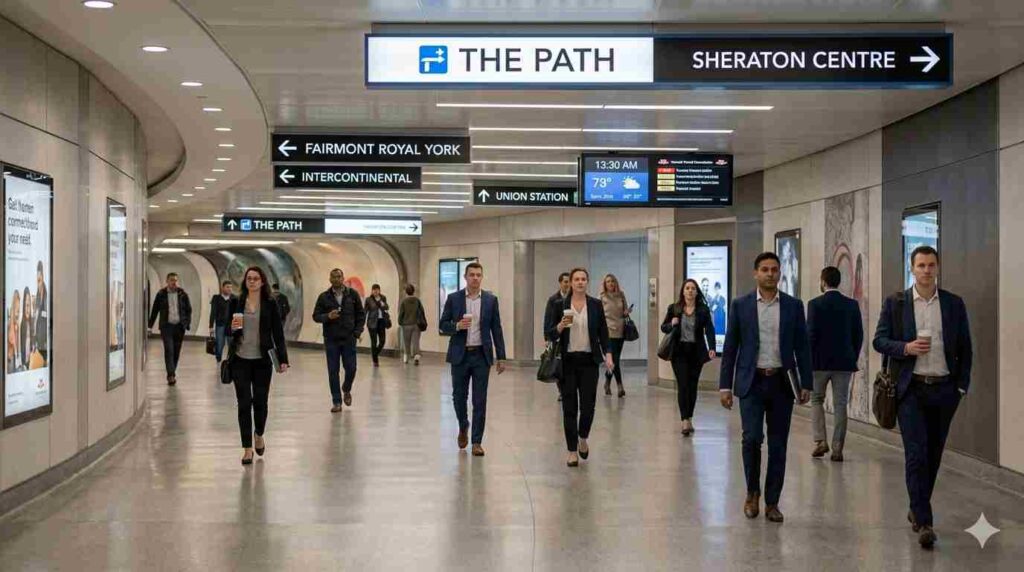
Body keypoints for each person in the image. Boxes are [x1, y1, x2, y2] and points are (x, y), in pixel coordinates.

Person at [873, 246, 972, 549]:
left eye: (931, 265)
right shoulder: (896, 303)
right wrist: (906, 348)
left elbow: (966, 349)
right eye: (921, 265)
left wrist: (960, 387)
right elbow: (879, 340)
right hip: (910, 389)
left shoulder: (954, 304)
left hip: (944, 390)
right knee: (916, 454)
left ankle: (916, 506)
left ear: (937, 268)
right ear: (912, 268)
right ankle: (924, 521)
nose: (927, 270)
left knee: (933, 455)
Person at [720, 252, 812, 524]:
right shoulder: (741, 305)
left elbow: (802, 347)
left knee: (778, 444)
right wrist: (725, 385)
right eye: (765, 270)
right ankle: (752, 493)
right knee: (751, 439)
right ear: (755, 273)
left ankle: (773, 502)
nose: (770, 274)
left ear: (779, 273)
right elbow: (731, 348)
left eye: (774, 269)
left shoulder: (794, 306)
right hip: (752, 382)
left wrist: (806, 382)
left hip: (782, 383)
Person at [440, 262, 507, 457]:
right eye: (472, 275)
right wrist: (457, 325)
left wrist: (501, 356)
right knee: (458, 397)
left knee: (480, 400)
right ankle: (463, 424)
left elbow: (497, 328)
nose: (475, 278)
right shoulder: (454, 299)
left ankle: (477, 441)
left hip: (481, 356)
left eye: (478, 275)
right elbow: (443, 325)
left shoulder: (490, 300)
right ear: (465, 277)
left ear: (482, 277)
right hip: (460, 355)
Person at [549, 268, 614, 467]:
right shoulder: (559, 305)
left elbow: (603, 332)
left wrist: (608, 354)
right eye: (576, 279)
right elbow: (549, 333)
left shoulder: (595, 305)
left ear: (587, 282)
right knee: (569, 407)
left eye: (583, 279)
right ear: (570, 283)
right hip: (567, 362)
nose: (579, 282)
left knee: (588, 406)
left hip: (589, 361)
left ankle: (583, 437)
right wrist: (560, 326)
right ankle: (571, 451)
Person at [227, 266, 289, 466]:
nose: (252, 281)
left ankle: (259, 434)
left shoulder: (270, 303)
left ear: (262, 282)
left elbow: (278, 333)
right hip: (240, 359)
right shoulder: (237, 302)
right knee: (244, 404)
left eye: (255, 278)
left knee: (260, 402)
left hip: (262, 361)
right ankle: (247, 449)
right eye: (249, 278)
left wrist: (283, 358)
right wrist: (233, 326)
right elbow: (230, 327)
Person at [807, 266, 863, 462]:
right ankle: (838, 448)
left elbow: (811, 335)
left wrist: (808, 360)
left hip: (819, 363)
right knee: (840, 404)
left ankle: (820, 441)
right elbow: (859, 335)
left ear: (823, 281)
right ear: (839, 282)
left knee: (816, 400)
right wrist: (852, 356)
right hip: (844, 363)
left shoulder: (814, 304)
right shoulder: (851, 305)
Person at [661, 279, 717, 436]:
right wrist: (671, 323)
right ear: (683, 291)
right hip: (679, 353)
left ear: (696, 292)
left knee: (692, 386)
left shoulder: (703, 310)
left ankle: (690, 417)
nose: (690, 291)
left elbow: (710, 329)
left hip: (696, 352)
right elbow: (663, 327)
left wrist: (712, 347)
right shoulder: (675, 308)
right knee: (683, 384)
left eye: (693, 288)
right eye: (687, 288)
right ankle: (684, 420)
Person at [313, 269, 365, 413]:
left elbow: (361, 314)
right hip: (331, 339)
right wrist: (327, 316)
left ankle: (346, 388)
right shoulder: (324, 297)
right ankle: (337, 401)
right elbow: (316, 316)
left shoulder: (352, 295)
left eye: (339, 276)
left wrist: (357, 332)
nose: (336, 279)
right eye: (334, 277)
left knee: (351, 368)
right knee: (333, 371)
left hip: (349, 338)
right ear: (330, 279)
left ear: (343, 278)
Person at [148, 273, 192, 385]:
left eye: (176, 280)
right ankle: (171, 375)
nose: (174, 282)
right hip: (166, 326)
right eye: (172, 280)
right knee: (169, 350)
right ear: (167, 281)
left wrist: (186, 323)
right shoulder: (161, 294)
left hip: (179, 326)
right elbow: (155, 310)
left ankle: (172, 371)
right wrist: (149, 326)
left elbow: (188, 309)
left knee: (176, 351)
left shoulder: (182, 294)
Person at [599, 274, 629, 398]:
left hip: (620, 331)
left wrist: (626, 312)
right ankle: (620, 386)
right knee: (615, 359)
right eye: (608, 282)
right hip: (608, 332)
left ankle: (607, 382)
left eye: (612, 281)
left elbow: (625, 310)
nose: (610, 284)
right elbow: (598, 315)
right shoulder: (602, 297)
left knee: (614, 360)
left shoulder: (621, 295)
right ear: (605, 284)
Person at [543, 272, 572, 401]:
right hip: (557, 336)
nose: (567, 284)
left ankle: (569, 389)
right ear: (560, 283)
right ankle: (561, 391)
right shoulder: (553, 299)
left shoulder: (574, 298)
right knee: (558, 364)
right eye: (565, 281)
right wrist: (547, 338)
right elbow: (547, 319)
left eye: (569, 281)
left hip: (571, 337)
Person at [397, 284, 425, 365]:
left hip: (406, 325)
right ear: (413, 291)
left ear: (406, 292)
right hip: (416, 325)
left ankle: (406, 357)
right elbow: (422, 311)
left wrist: (400, 322)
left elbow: (401, 313)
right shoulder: (417, 301)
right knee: (416, 341)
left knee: (407, 342)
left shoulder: (404, 302)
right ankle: (416, 356)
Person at [209, 281, 236, 362]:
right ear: (222, 288)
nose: (229, 289)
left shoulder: (234, 298)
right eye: (227, 287)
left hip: (231, 325)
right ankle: (218, 357)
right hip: (220, 324)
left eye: (231, 287)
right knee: (220, 343)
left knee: (231, 343)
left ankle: (230, 359)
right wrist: (211, 326)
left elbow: (238, 312)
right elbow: (213, 312)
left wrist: (238, 327)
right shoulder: (216, 298)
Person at [364, 284, 390, 367]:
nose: (375, 291)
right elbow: (365, 312)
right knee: (374, 342)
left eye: (377, 290)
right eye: (374, 290)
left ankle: (374, 354)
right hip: (372, 323)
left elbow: (386, 307)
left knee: (382, 341)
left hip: (381, 321)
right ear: (372, 291)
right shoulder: (368, 300)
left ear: (379, 290)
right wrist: (361, 323)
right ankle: (375, 361)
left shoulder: (383, 298)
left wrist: (382, 303)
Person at [34, 261, 48, 362]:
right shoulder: (38, 294)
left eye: (40, 280)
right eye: (37, 280)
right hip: (39, 335)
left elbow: (47, 314)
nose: (38, 283)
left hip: (45, 337)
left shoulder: (46, 293)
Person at [7, 290, 21, 373]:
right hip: (10, 360)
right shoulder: (10, 325)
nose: (18, 314)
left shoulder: (16, 326)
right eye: (16, 310)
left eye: (19, 311)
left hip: (14, 359)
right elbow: (12, 341)